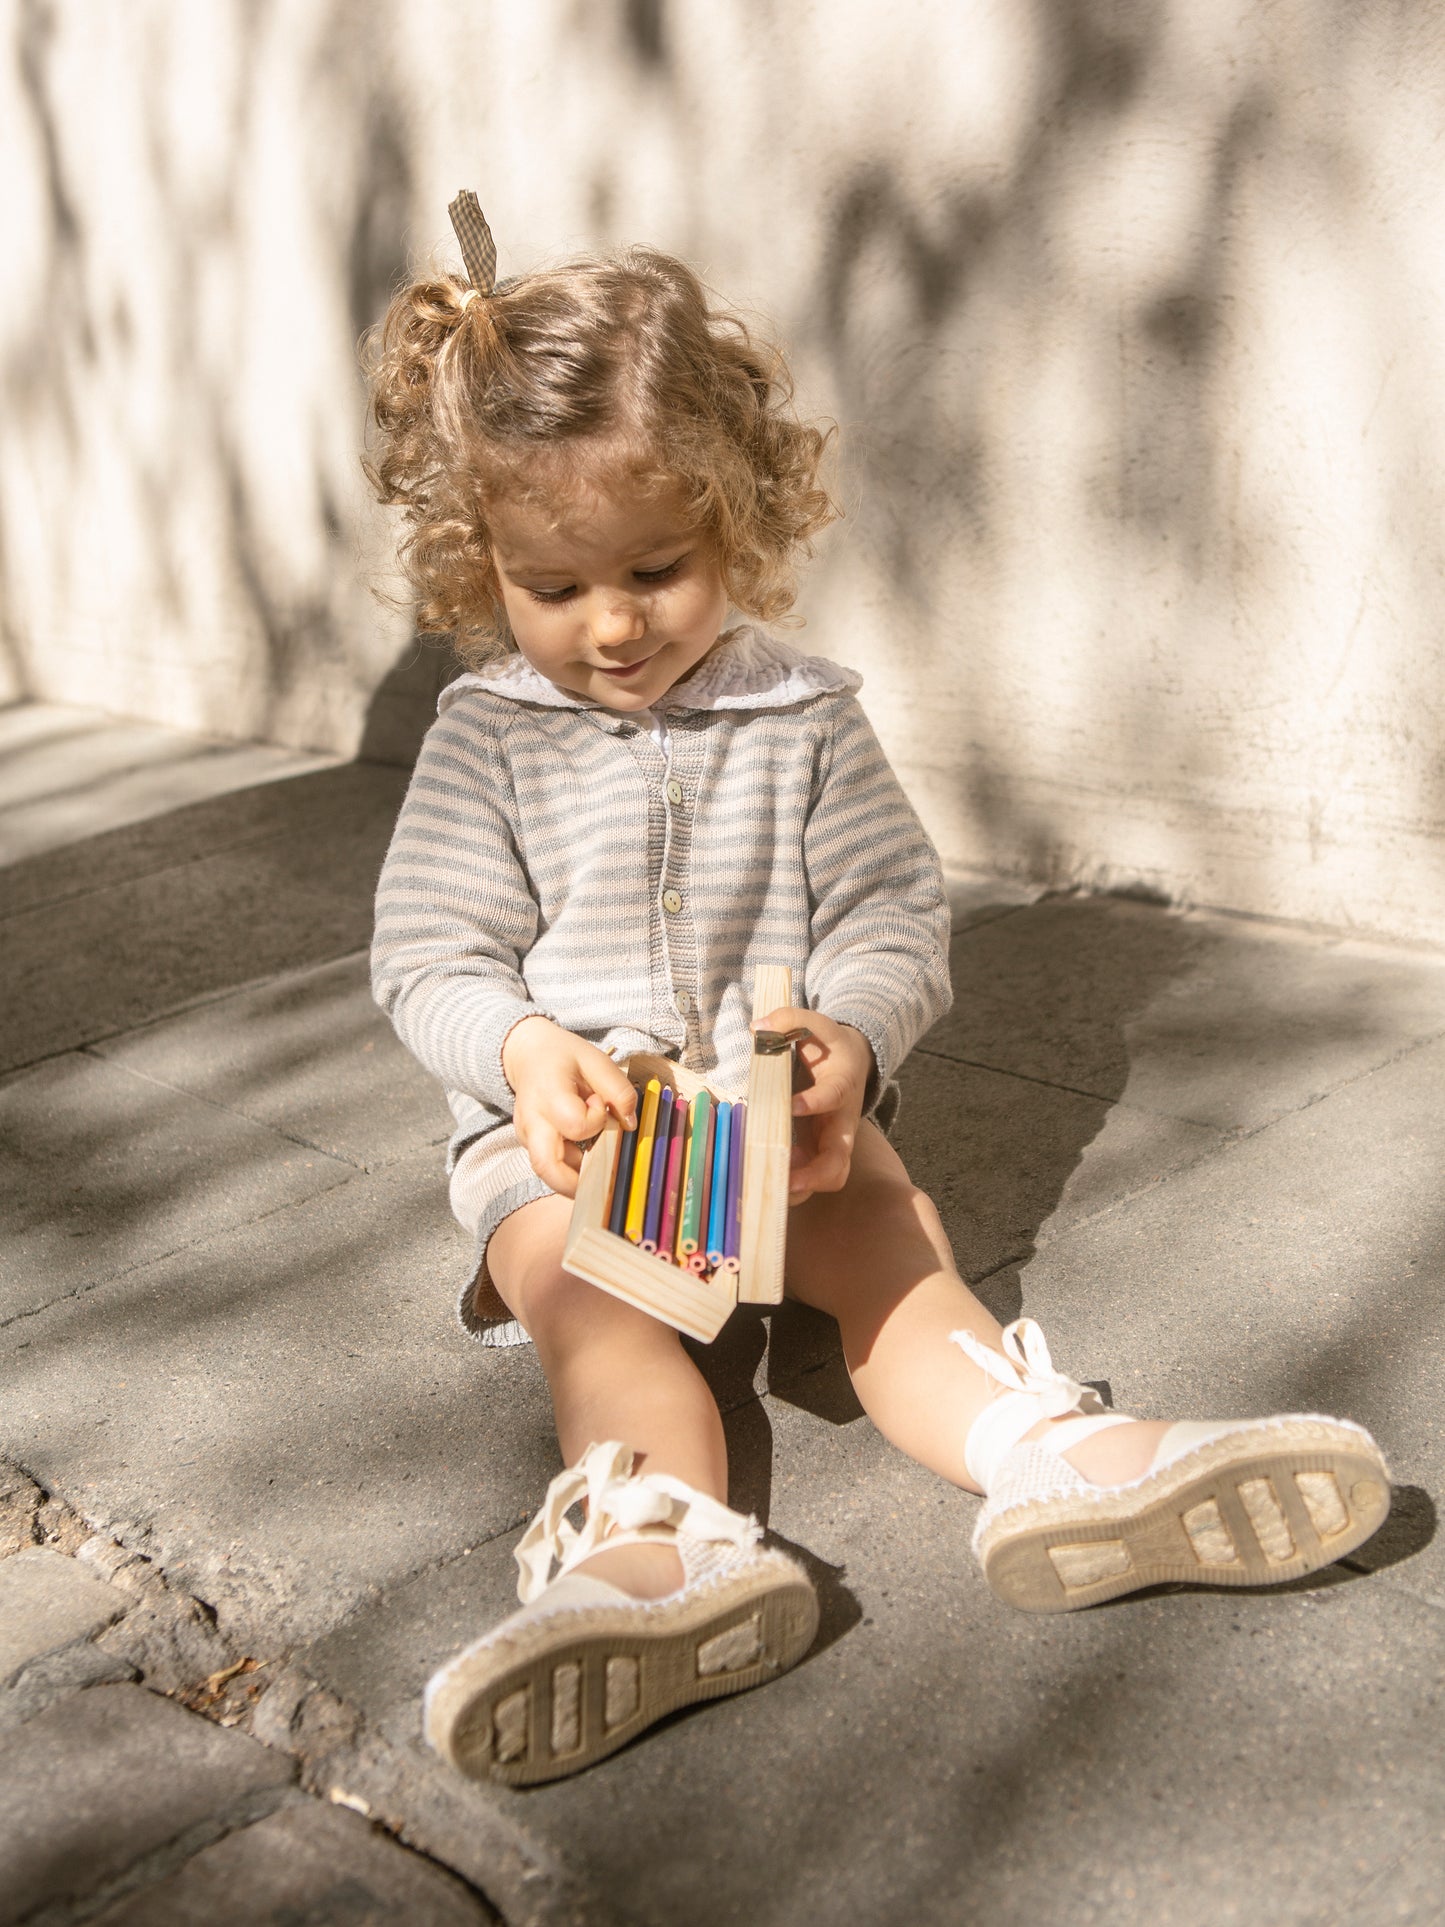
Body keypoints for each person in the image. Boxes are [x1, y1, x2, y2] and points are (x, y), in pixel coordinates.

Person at [364, 196, 1390, 1787]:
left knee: (893, 1257)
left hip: (775, 1127)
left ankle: (1054, 1457)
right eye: (554, 586)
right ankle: (654, 1548)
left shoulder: (804, 718)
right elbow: (427, 956)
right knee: (601, 1309)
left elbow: (893, 912)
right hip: (566, 1145)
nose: (614, 623)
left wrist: (852, 1031)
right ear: (480, 560)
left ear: (738, 522)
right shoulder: (485, 740)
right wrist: (521, 1049)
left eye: (656, 567)